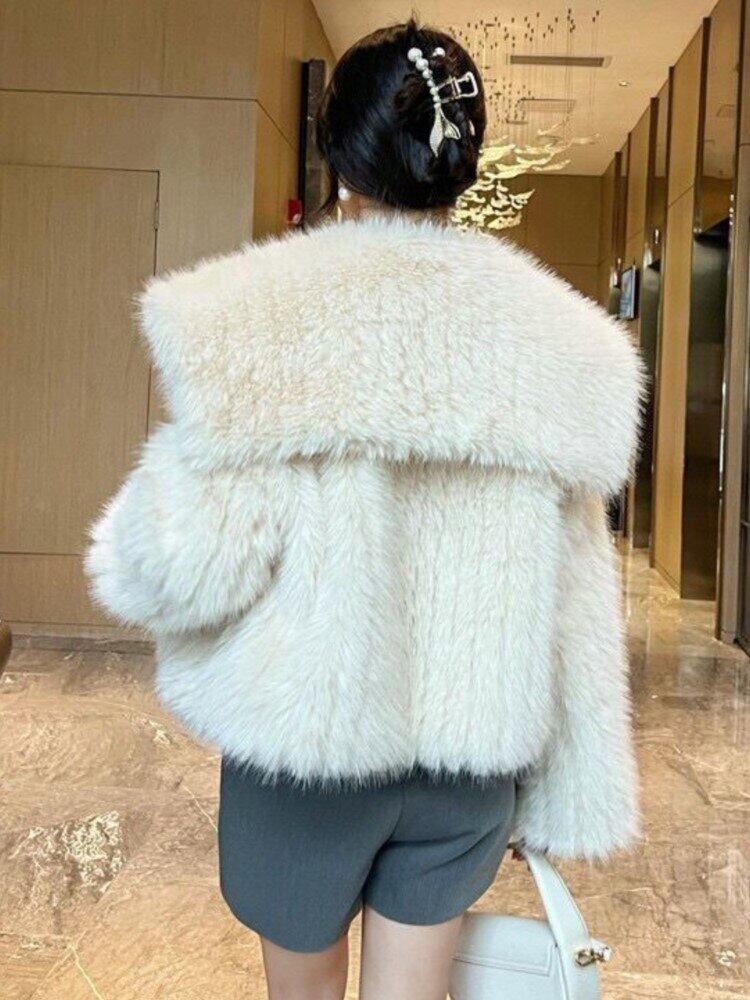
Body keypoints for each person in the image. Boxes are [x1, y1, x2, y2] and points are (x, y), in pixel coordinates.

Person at [86, 18, 642, 1000]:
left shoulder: (262, 319)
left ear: (337, 154)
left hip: (307, 757)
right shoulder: (560, 344)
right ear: (463, 164)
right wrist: (570, 789)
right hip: (467, 766)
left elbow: (171, 566)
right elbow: (577, 603)